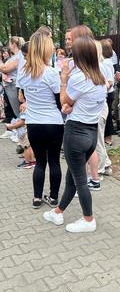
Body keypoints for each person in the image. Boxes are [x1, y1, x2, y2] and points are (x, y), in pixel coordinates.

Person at [43, 36, 107, 233]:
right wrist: (70, 106)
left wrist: (63, 80)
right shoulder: (100, 78)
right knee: (73, 176)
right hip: (90, 133)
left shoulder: (79, 78)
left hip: (76, 133)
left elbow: (64, 101)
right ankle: (58, 211)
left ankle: (88, 219)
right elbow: (76, 104)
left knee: (80, 181)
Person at [18, 32, 64, 209]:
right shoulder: (51, 73)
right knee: (54, 161)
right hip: (53, 122)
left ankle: (37, 198)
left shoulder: (24, 73)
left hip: (34, 123)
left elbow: (23, 97)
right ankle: (53, 198)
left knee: (40, 162)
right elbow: (58, 101)